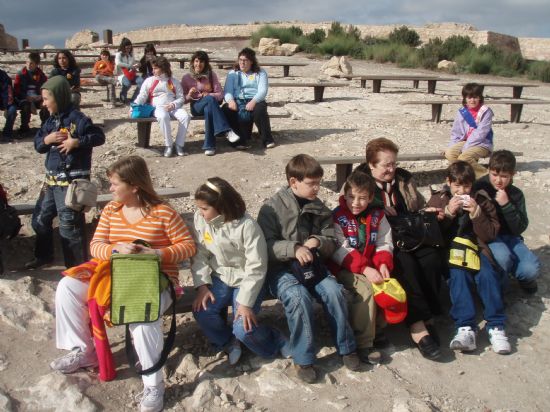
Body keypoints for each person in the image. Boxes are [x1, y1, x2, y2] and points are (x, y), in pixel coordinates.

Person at [50, 155, 197, 412]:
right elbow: (95, 247)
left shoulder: (164, 212)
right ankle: (84, 350)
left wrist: (157, 254)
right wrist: (115, 249)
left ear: (134, 186)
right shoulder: (111, 210)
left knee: (139, 314)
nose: (110, 189)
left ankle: (153, 382)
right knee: (67, 287)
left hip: (156, 278)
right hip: (115, 274)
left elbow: (188, 247)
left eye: (114, 184)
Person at [257, 154, 359, 384]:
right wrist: (293, 249)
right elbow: (264, 245)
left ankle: (346, 346)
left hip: (312, 265)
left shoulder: (320, 207)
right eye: (311, 183)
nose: (317, 188)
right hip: (281, 270)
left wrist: (317, 242)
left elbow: (331, 238)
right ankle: (303, 357)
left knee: (334, 292)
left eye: (318, 183)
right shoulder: (271, 209)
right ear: (294, 182)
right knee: (297, 296)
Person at [355, 138, 446, 360]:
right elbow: (351, 211)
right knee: (405, 265)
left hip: (411, 236)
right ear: (371, 165)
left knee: (431, 258)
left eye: (394, 163)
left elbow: (418, 205)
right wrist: (376, 209)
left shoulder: (403, 178)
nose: (392, 169)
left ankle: (429, 316)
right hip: (382, 243)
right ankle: (417, 327)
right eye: (386, 165)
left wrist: (429, 210)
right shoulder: (359, 183)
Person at [191, 177, 290, 365]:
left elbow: (256, 266)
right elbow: (200, 254)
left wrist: (244, 303)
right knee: (202, 311)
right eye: (199, 208)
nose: (200, 213)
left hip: (247, 280)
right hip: (220, 276)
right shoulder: (201, 219)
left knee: (243, 327)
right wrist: (202, 285)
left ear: (220, 206)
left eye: (205, 209)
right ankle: (228, 342)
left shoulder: (247, 226)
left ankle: (274, 340)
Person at [427, 161, 511, 354]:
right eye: (457, 185)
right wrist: (447, 212)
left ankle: (496, 326)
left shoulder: (481, 200)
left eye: (466, 186)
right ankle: (465, 327)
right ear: (448, 182)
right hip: (451, 250)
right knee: (458, 275)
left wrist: (477, 214)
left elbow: (490, 234)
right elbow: (432, 233)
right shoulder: (438, 199)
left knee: (487, 275)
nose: (461, 190)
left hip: (476, 248)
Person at [25, 76, 105, 270]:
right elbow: (38, 145)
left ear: (59, 97)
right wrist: (47, 139)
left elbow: (98, 136)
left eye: (46, 99)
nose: (43, 103)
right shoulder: (50, 122)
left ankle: (77, 270)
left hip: (71, 186)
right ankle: (44, 256)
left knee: (70, 228)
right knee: (39, 220)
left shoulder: (78, 119)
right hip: (51, 184)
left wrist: (75, 142)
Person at [330, 170, 393, 365]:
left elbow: (384, 240)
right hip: (344, 267)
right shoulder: (338, 217)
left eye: (362, 198)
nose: (356, 203)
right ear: (344, 195)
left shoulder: (377, 216)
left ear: (371, 198)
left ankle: (377, 328)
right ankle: (363, 342)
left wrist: (383, 262)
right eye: (351, 197)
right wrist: (365, 269)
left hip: (369, 264)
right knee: (366, 289)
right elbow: (340, 248)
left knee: (388, 284)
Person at [473, 150, 540, 294]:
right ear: (488, 170)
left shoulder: (516, 194)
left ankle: (522, 277)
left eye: (504, 176)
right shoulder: (479, 187)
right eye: (494, 175)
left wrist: (506, 205)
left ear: (512, 175)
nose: (498, 180)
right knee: (503, 257)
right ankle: (500, 282)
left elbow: (520, 227)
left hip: (511, 236)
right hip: (490, 237)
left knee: (530, 269)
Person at [181, 50, 239, 156]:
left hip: (210, 105)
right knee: (210, 101)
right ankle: (226, 131)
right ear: (193, 62)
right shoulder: (186, 78)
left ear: (206, 63)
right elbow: (182, 99)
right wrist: (189, 94)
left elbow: (220, 95)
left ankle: (209, 146)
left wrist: (208, 95)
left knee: (209, 108)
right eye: (197, 61)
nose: (199, 64)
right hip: (196, 106)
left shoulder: (211, 75)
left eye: (202, 62)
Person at [133, 56, 190, 158]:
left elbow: (181, 98)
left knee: (185, 116)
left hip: (173, 106)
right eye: (153, 68)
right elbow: (142, 95)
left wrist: (173, 104)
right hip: (158, 107)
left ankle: (179, 145)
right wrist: (134, 106)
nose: (153, 70)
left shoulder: (174, 81)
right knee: (163, 116)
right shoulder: (149, 81)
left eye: (155, 68)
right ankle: (168, 145)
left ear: (163, 68)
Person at [223, 47, 276, 150]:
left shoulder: (260, 72)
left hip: (255, 99)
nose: (242, 63)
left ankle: (267, 139)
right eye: (240, 60)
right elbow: (227, 91)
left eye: (245, 60)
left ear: (251, 61)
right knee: (226, 109)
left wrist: (253, 101)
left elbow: (262, 90)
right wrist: (230, 101)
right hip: (238, 100)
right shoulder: (232, 73)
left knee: (260, 110)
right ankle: (238, 141)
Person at [445, 83, 494, 179]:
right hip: (466, 142)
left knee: (464, 157)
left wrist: (466, 147)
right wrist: (451, 146)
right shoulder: (462, 112)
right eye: (469, 97)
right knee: (450, 154)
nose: (472, 100)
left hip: (482, 143)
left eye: (475, 97)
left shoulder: (486, 112)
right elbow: (456, 132)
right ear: (465, 98)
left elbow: (481, 133)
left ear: (480, 98)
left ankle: (487, 177)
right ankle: (466, 176)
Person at [14, 52, 49, 134]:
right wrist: (26, 97)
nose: (29, 65)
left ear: (36, 64)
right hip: (24, 98)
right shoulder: (20, 74)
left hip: (37, 97)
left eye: (31, 63)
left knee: (45, 106)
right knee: (26, 106)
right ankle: (24, 128)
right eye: (27, 62)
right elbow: (16, 90)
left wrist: (41, 96)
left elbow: (45, 87)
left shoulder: (41, 75)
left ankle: (45, 127)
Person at [115, 37, 141, 104]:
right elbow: (118, 63)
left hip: (131, 74)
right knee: (127, 83)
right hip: (122, 74)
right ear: (123, 47)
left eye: (129, 48)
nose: (128, 50)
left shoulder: (131, 54)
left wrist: (137, 64)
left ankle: (134, 98)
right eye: (127, 48)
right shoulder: (119, 54)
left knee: (141, 81)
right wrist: (129, 66)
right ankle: (123, 96)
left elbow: (133, 63)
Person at [0, 68, 17, 141]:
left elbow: (8, 91)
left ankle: (7, 133)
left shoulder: (3, 75)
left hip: (4, 101)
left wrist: (6, 106)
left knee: (12, 110)